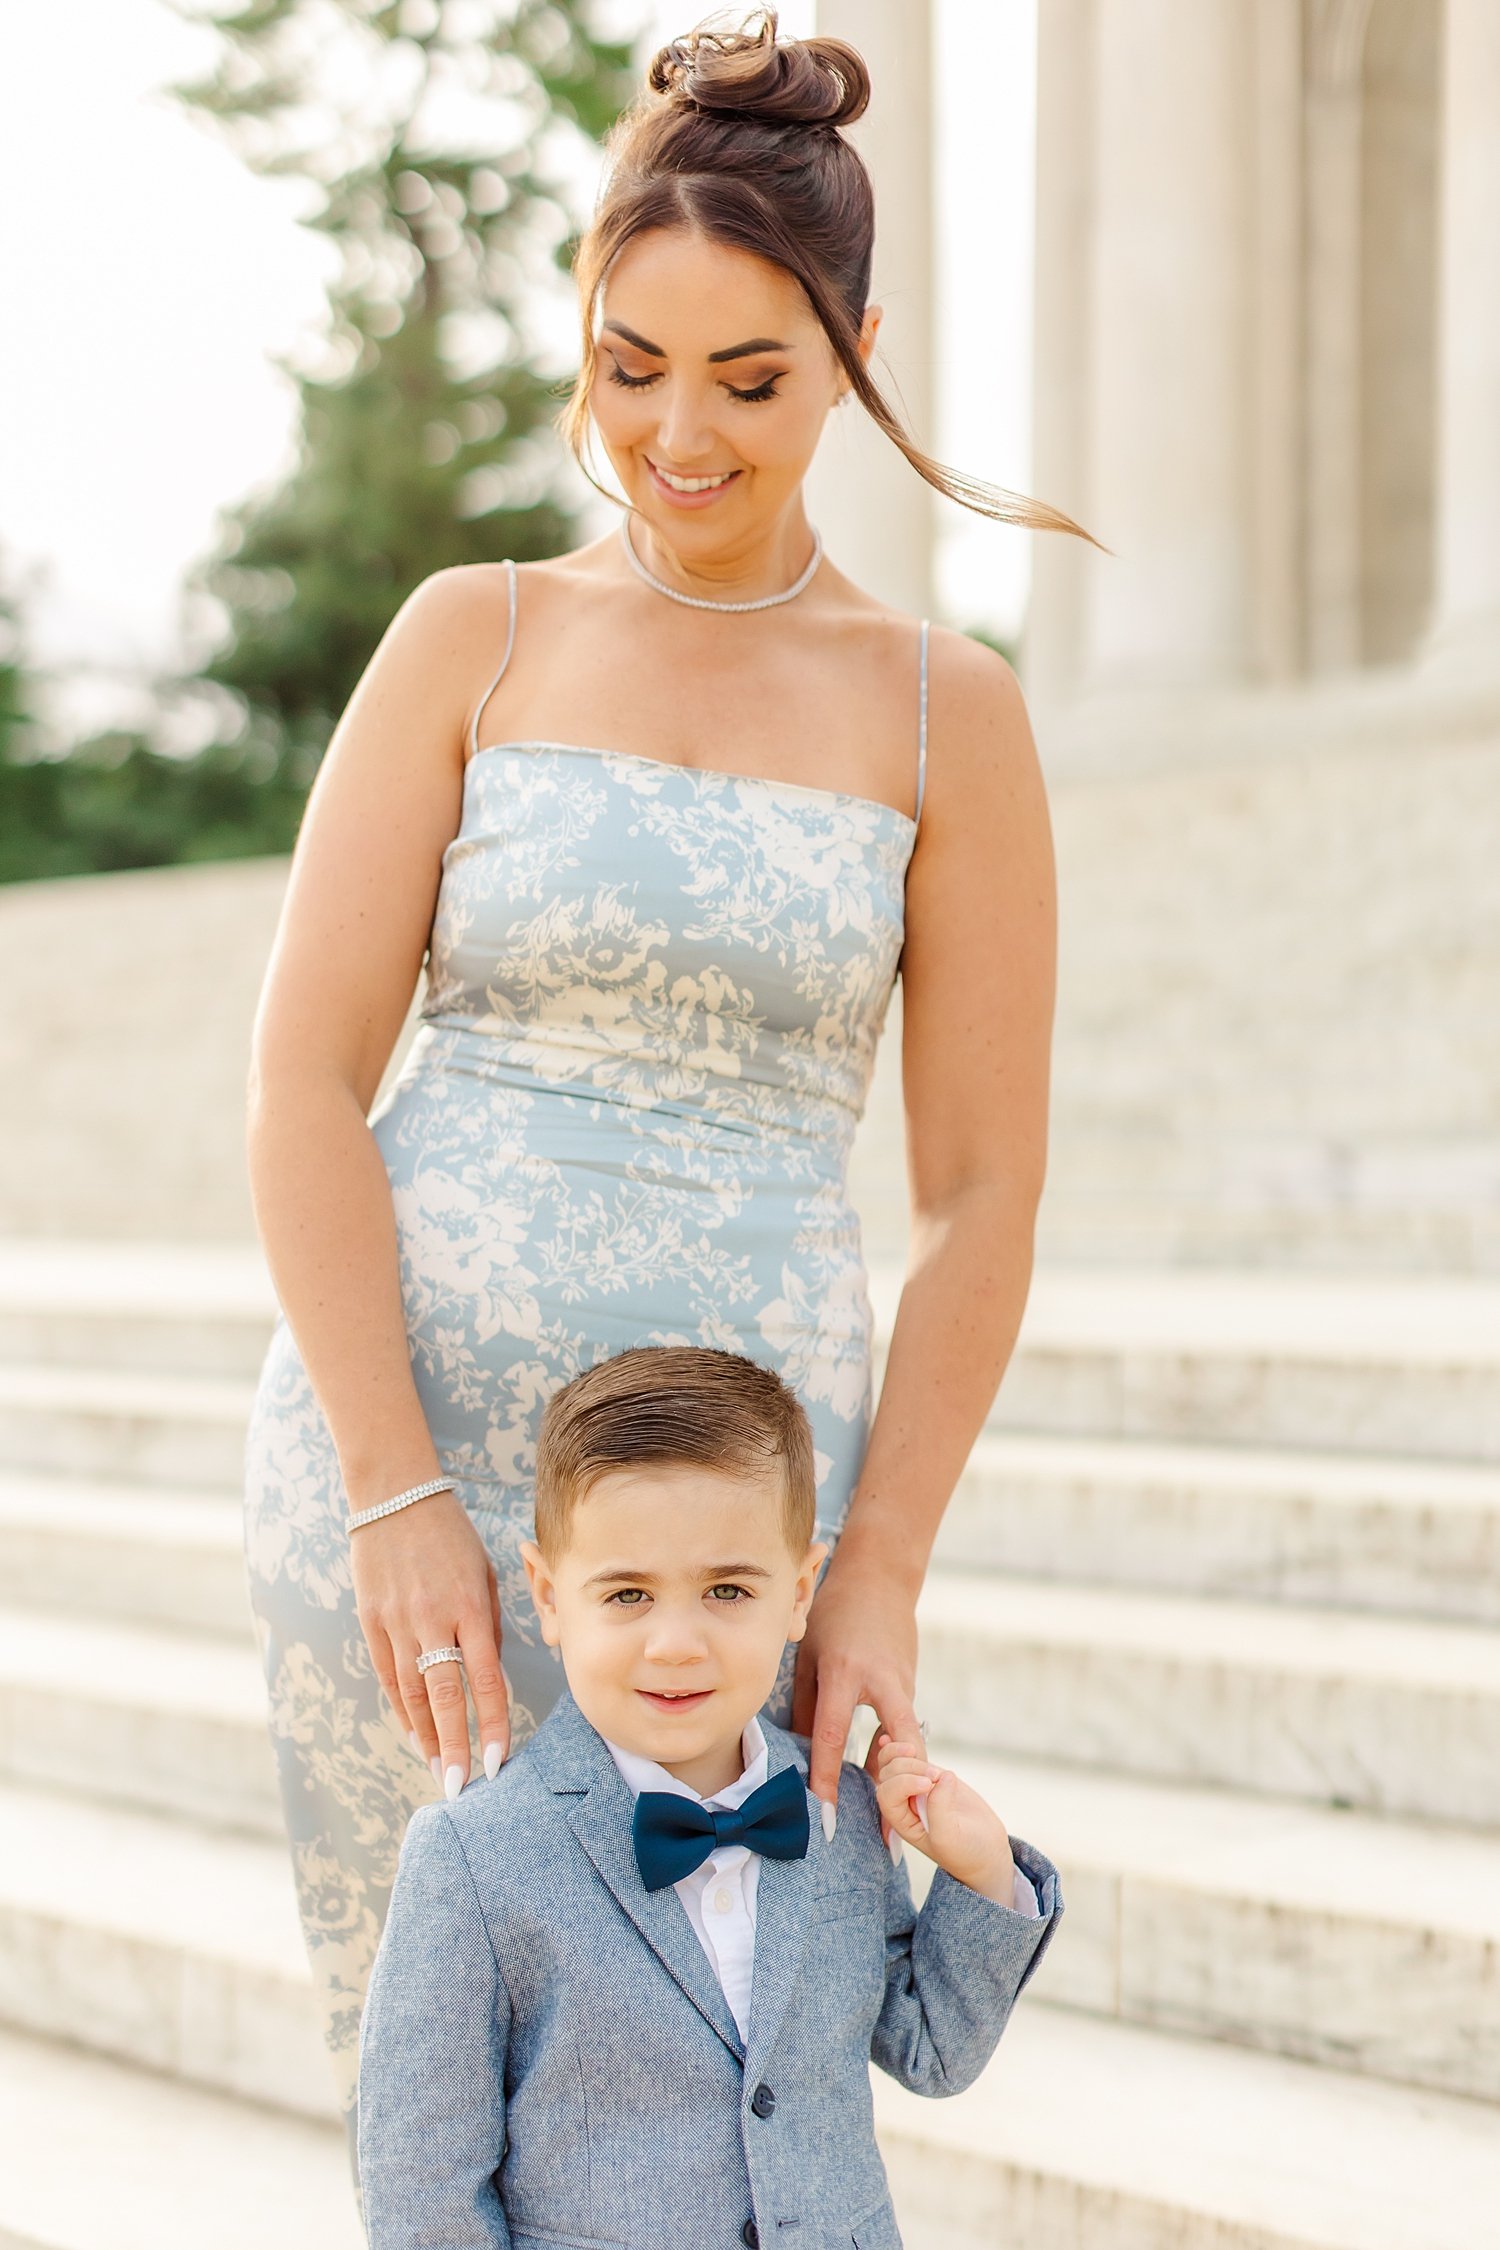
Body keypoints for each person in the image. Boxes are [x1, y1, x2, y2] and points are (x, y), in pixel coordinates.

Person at [242, 5, 1091, 2194]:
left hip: (728, 1532)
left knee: (730, 2095)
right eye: (630, 368)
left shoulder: (944, 715)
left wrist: (878, 1566)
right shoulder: (474, 633)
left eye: (750, 379)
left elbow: (984, 1191)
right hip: (405, 1482)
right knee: (438, 2103)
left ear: (857, 351)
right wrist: (391, 1491)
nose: (679, 439)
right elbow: (303, 1082)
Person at [356, 1346, 1064, 2250]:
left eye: (727, 1589)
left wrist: (981, 1872)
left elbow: (931, 2053)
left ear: (801, 1592)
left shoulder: (835, 1814)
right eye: (628, 1594)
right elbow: (422, 2187)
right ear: (546, 1595)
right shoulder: (474, 1859)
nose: (677, 1643)